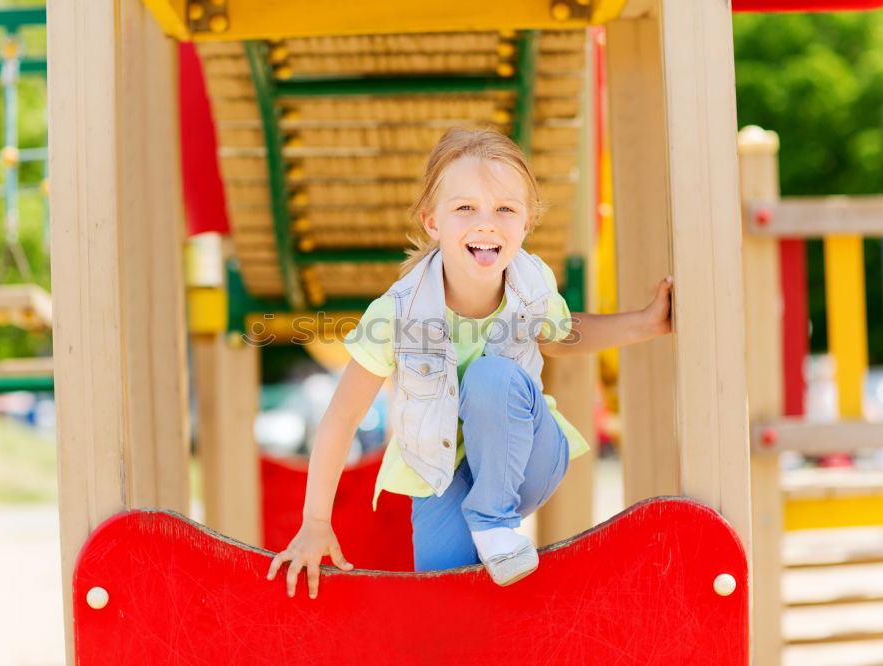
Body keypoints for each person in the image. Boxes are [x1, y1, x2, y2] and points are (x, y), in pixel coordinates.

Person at [266, 127, 673, 598]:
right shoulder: (398, 314)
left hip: (527, 455)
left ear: (527, 223)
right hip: (443, 477)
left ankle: (493, 521)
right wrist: (316, 522)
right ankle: (486, 531)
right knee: (447, 600)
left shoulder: (531, 283)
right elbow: (341, 418)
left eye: (505, 209)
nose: (486, 223)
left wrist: (646, 323)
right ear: (432, 222)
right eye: (465, 209)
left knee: (491, 377)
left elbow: (561, 337)